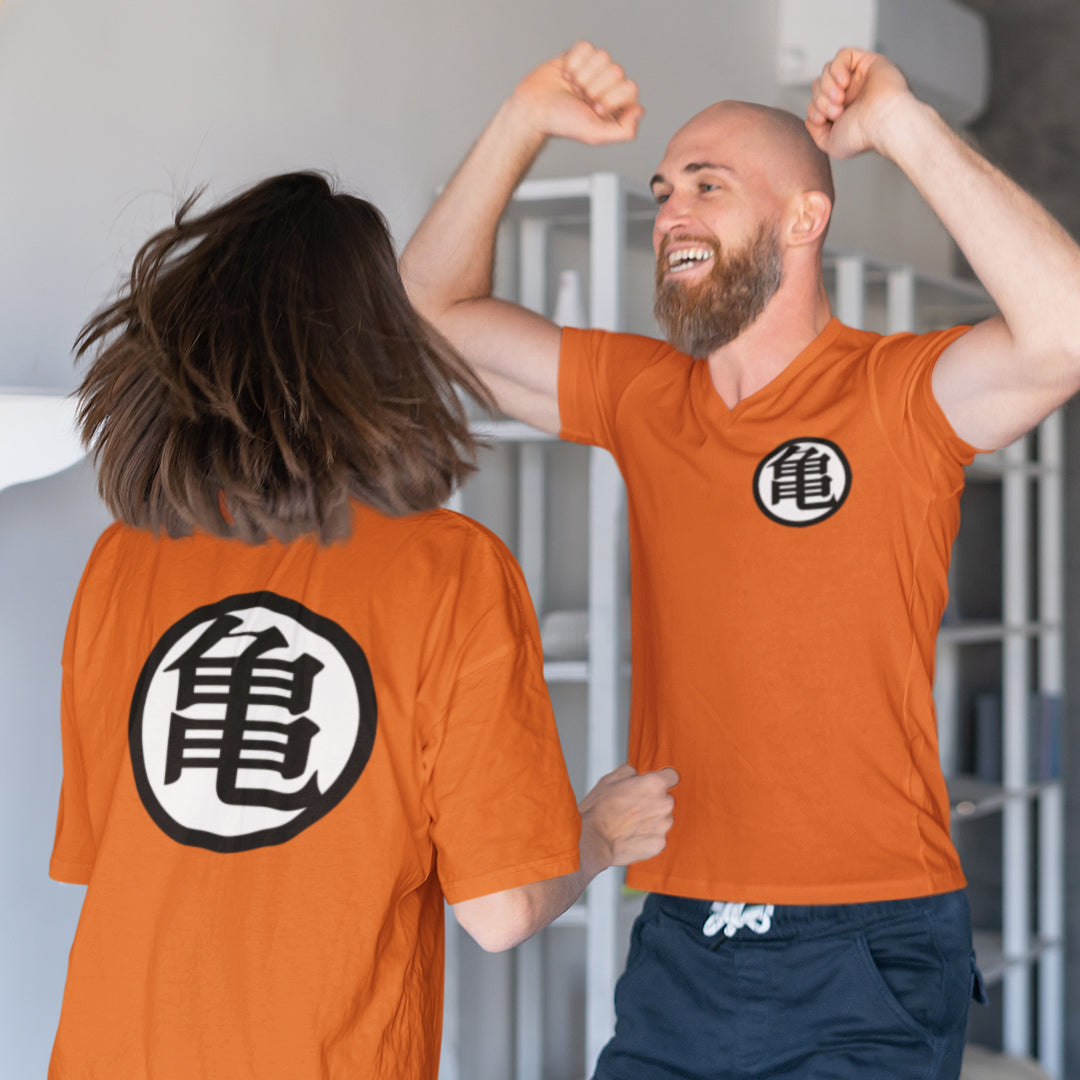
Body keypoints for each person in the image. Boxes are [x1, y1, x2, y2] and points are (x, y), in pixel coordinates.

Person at [400, 41, 1080, 1080]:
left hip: (871, 935)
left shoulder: (900, 395)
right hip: (681, 931)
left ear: (804, 219)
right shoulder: (643, 399)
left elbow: (1064, 336)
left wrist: (900, 125)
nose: (670, 210)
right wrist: (521, 120)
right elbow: (433, 321)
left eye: (707, 187)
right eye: (664, 190)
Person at [47, 171, 678, 1080]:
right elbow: (499, 909)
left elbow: (119, 854)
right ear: (378, 348)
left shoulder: (122, 559)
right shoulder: (446, 566)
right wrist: (605, 832)